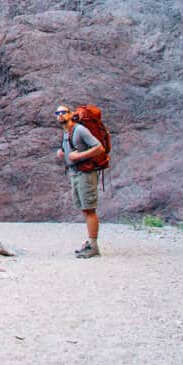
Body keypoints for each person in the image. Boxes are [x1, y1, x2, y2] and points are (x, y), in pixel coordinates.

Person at [55, 104, 106, 258]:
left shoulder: (80, 130)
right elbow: (72, 148)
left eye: (63, 112)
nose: (60, 115)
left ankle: (94, 246)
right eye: (57, 113)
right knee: (85, 209)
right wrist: (62, 152)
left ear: (71, 114)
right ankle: (90, 243)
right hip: (75, 173)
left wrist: (79, 156)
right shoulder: (66, 132)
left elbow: (99, 148)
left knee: (89, 209)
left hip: (86, 173)